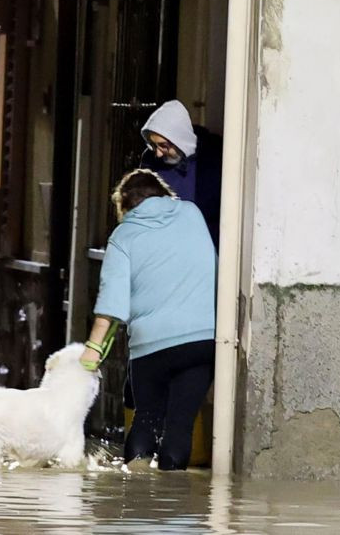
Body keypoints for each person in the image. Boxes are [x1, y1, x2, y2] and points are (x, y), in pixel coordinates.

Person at [80, 169, 216, 471]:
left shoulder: (123, 236)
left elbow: (113, 302)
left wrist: (93, 348)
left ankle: (138, 497)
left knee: (147, 420)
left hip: (152, 348)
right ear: (164, 194)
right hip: (201, 341)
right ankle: (171, 505)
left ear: (125, 207)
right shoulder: (191, 214)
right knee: (181, 427)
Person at [139, 99, 223, 248]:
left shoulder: (213, 157)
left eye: (163, 146)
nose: (158, 153)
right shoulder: (150, 161)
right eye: (153, 145)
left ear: (179, 138)